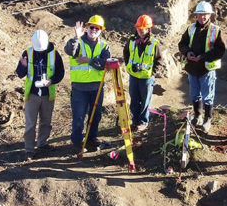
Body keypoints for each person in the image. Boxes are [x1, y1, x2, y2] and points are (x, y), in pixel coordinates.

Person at [15, 29, 65, 160]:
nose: (40, 51)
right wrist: (23, 66)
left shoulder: (54, 54)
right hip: (32, 95)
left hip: (48, 94)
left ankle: (42, 143)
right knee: (30, 123)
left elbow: (60, 73)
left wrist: (51, 81)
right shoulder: (28, 53)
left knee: (46, 122)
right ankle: (29, 149)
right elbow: (20, 73)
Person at [177, 1, 226, 132]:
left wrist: (203, 57)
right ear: (196, 15)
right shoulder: (191, 29)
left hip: (206, 69)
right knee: (194, 94)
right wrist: (188, 52)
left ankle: (207, 119)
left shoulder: (216, 30)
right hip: (192, 69)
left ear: (210, 15)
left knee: (208, 96)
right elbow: (182, 44)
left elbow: (220, 50)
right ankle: (198, 116)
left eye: (205, 14)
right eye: (200, 14)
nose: (203, 17)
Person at [65, 15, 111, 153]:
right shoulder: (78, 42)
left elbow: (105, 64)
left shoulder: (104, 46)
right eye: (92, 27)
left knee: (95, 115)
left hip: (96, 87)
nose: (94, 30)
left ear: (101, 30)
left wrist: (89, 61)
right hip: (79, 88)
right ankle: (77, 142)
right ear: (87, 28)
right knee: (79, 116)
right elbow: (70, 51)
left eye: (97, 28)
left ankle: (92, 138)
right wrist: (76, 38)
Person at [122, 15, 163, 133]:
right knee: (134, 99)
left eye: (143, 28)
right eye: (139, 28)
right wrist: (129, 66)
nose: (140, 30)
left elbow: (159, 60)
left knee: (145, 101)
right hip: (134, 76)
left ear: (149, 29)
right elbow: (126, 53)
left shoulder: (154, 43)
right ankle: (135, 121)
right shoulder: (131, 41)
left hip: (146, 78)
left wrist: (152, 73)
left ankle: (143, 122)